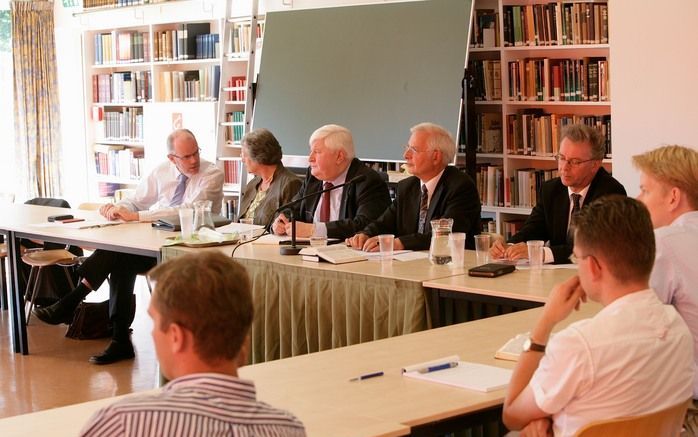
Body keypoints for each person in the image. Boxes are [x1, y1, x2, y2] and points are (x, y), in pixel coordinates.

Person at [502, 196, 694, 437]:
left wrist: (545, 322)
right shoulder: (678, 328)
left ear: (592, 266)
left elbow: (512, 415)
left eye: (576, 258)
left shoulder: (579, 344)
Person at [34, 129, 224, 365]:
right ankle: (117, 337)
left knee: (119, 256)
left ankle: (76, 305)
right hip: (152, 243)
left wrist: (135, 216)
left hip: (189, 250)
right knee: (121, 254)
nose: (194, 160)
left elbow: (185, 212)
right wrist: (116, 207)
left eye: (196, 153)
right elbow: (136, 199)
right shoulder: (162, 171)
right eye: (186, 157)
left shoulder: (212, 174)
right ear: (172, 158)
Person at [80, 251, 306, 437]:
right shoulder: (289, 429)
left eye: (155, 322)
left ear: (177, 337)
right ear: (243, 342)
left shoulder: (121, 425)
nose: (152, 333)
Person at [490, 123, 626, 264]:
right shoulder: (551, 190)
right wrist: (509, 247)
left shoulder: (611, 193)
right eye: (561, 158)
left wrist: (539, 253)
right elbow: (533, 229)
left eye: (574, 162)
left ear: (595, 165)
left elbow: (595, 247)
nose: (564, 168)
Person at [633, 145, 698, 430]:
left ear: (673, 197)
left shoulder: (664, 244)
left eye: (645, 190)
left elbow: (639, 329)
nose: (638, 199)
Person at [346, 122, 481, 251]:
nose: (405, 155)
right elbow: (384, 222)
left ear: (436, 156)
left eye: (413, 150)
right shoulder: (407, 186)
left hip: (451, 266)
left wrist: (399, 243)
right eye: (407, 148)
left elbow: (444, 236)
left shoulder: (461, 187)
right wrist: (365, 234)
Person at [272, 124, 391, 240]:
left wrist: (314, 230)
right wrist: (283, 221)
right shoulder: (314, 177)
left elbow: (366, 225)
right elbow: (294, 208)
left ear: (339, 157)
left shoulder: (366, 180)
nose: (310, 158)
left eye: (317, 152)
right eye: (311, 151)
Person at [238, 128, 302, 225]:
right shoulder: (253, 184)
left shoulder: (290, 184)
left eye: (244, 155)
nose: (242, 160)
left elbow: (285, 226)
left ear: (259, 156)